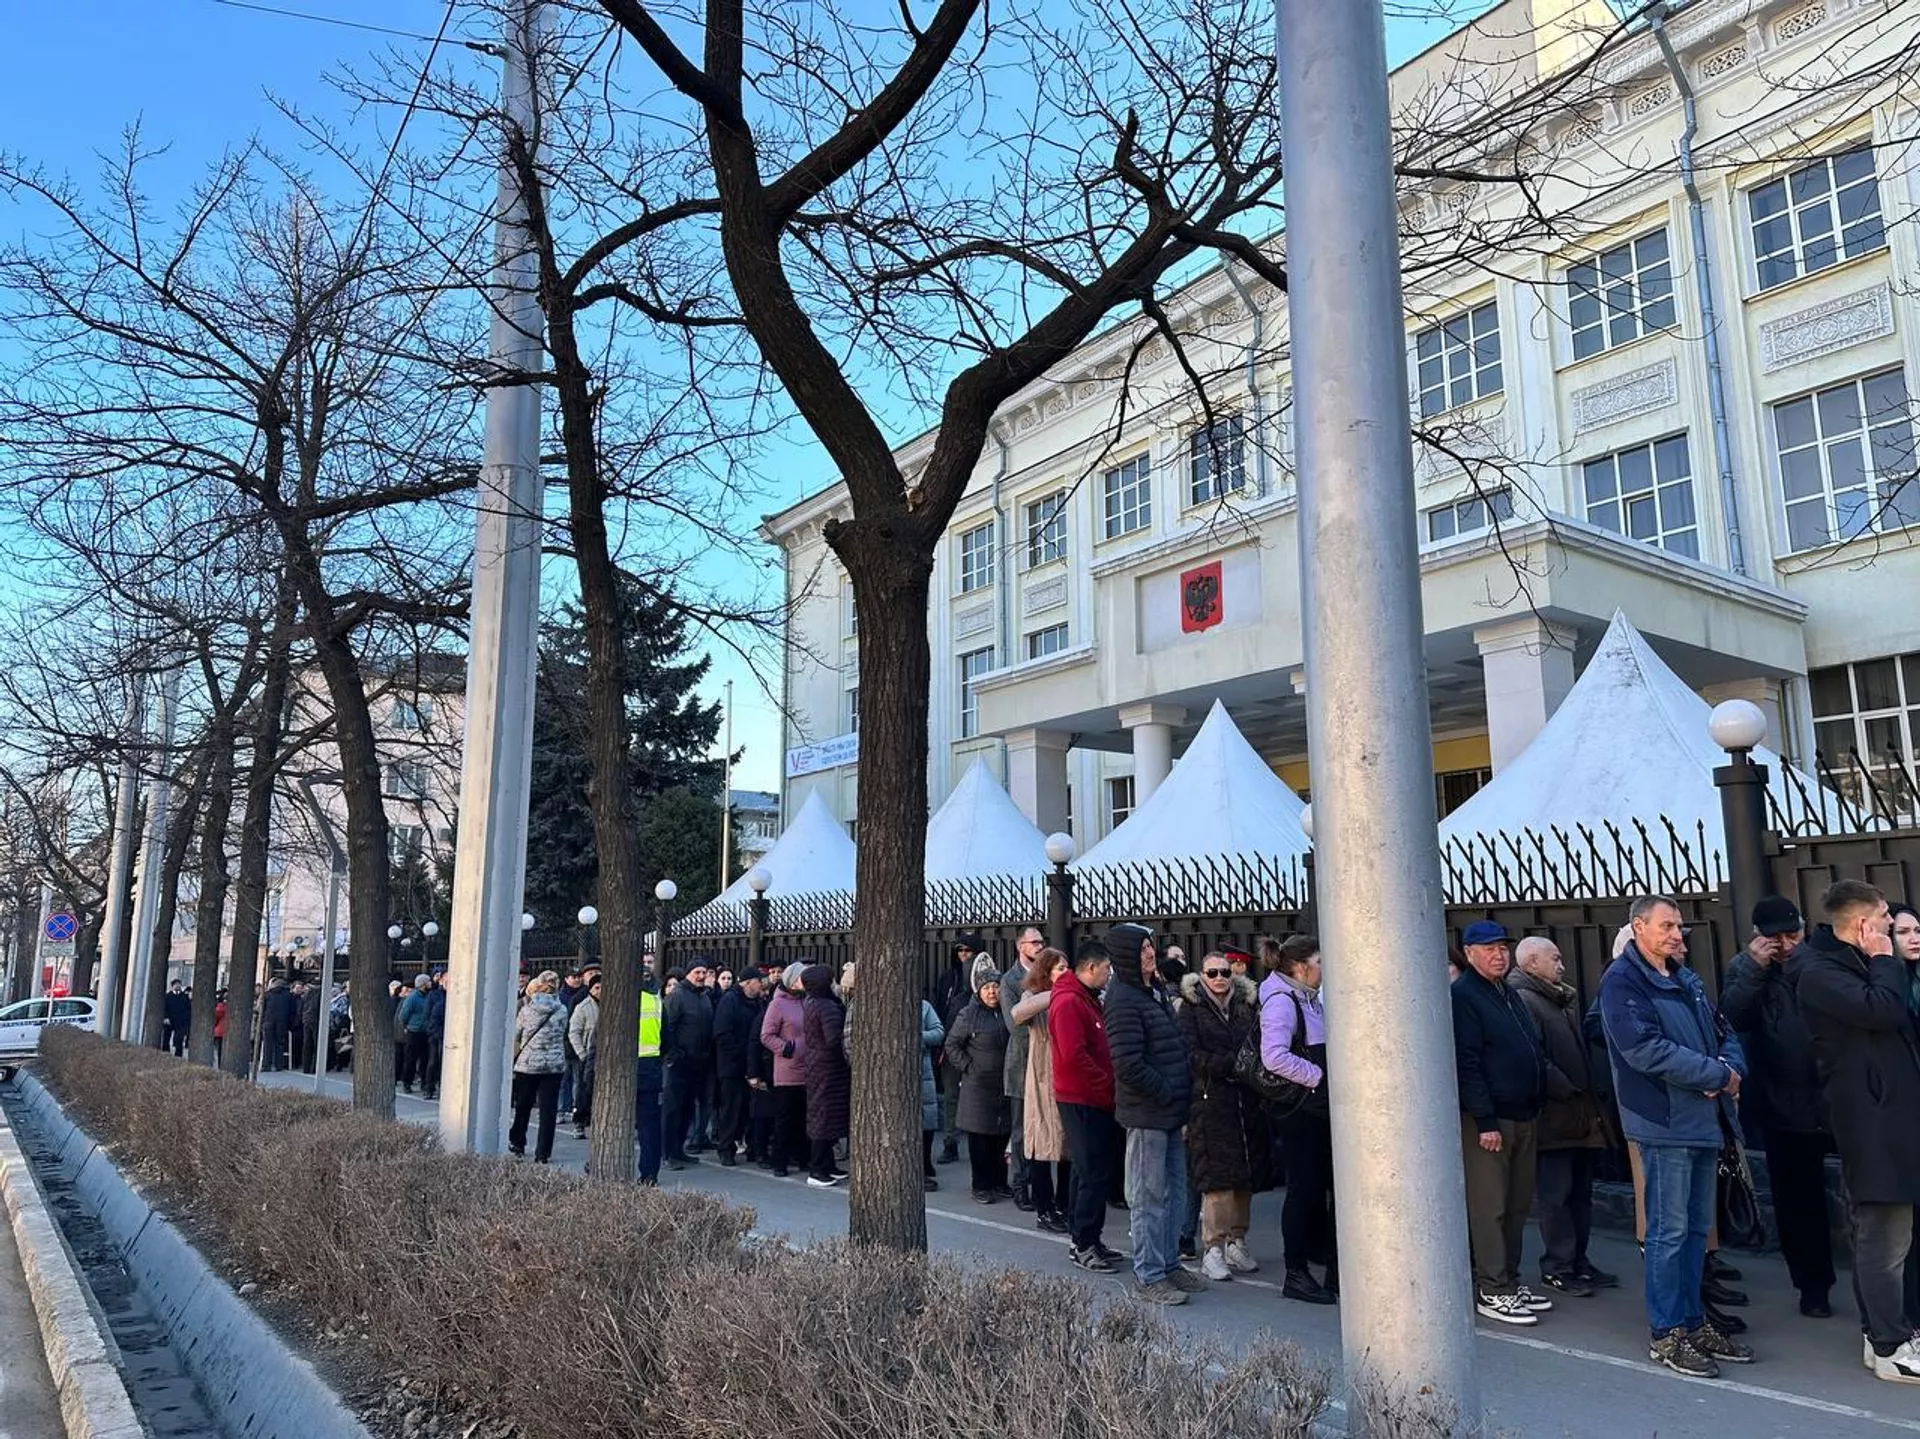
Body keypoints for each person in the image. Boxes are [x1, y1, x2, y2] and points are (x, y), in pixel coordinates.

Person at [1599, 895, 1754, 1377]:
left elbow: (1725, 1032)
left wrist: (1728, 1069)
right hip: (1664, 1123)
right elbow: (1644, 1049)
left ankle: (1692, 1321)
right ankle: (1666, 1333)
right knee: (1667, 1232)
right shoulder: (1622, 982)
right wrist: (1714, 1074)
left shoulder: (1685, 979)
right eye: (1666, 925)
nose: (1675, 934)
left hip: (1704, 1121)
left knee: (1694, 1230)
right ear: (1638, 927)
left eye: (1678, 926)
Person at [1792, 879, 1920, 1384]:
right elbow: (1883, 1011)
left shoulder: (1854, 964)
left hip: (1892, 1119)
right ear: (1864, 923)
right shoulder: (1820, 972)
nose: (1892, 923)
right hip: (1870, 1123)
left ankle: (1883, 1333)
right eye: (1885, 915)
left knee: (1895, 1235)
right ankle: (1889, 1345)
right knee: (1883, 1237)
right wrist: (1885, 958)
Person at [1720, 896, 1834, 1319]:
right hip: (1782, 1101)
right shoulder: (1745, 968)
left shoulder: (1820, 958)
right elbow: (1732, 1017)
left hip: (1836, 1095)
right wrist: (1755, 968)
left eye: (1792, 936)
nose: (1785, 945)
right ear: (1757, 937)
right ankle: (1812, 1286)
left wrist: (1801, 959)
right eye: (1776, 938)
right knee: (1797, 1202)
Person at [1452, 920, 1549, 1327]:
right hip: (1491, 1122)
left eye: (1503, 948)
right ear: (1469, 953)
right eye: (1489, 948)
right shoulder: (1464, 996)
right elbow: (1468, 1063)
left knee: (1517, 1204)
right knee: (1490, 1206)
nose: (1499, 955)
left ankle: (1509, 1278)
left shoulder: (1505, 992)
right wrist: (1484, 1120)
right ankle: (1492, 1286)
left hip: (1522, 1114)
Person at [1508, 936, 1617, 1297]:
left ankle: (1578, 1261)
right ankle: (1558, 1266)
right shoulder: (1525, 1000)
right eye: (1554, 959)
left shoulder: (1557, 1000)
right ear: (1532, 962)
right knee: (1556, 1196)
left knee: (1580, 1194)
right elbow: (1534, 1056)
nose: (1562, 965)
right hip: (1555, 1116)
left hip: (1578, 1115)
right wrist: (1565, 1089)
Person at [1103, 923, 1196, 1306]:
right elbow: (1127, 1063)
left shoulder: (1152, 990)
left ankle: (1169, 1263)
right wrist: (1166, 1090)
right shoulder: (1123, 999)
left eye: (1150, 946)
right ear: (1127, 954)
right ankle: (1149, 1274)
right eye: (1142, 948)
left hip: (1168, 1112)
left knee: (1176, 1191)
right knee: (1148, 1196)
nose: (1149, 953)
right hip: (1147, 1113)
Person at [1178, 950, 1272, 1283]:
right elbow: (1190, 1053)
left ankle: (1237, 1241)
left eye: (1224, 972)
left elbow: (1260, 1043)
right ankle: (1213, 1248)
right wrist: (1230, 1065)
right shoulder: (1191, 1008)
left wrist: (1248, 1069)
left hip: (1247, 1100)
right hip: (1210, 1100)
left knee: (1245, 1176)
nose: (1219, 978)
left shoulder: (1247, 1006)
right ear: (1201, 975)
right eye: (1212, 972)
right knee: (1216, 1179)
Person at [1258, 934, 1336, 1305]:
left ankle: (1323, 1258)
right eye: (1319, 962)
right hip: (1300, 1111)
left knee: (1320, 1187)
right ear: (1301, 967)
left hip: (1315, 1108)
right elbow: (1273, 1055)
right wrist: (1318, 1077)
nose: (1324, 968)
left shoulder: (1307, 997)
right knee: (1303, 1190)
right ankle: (1296, 1271)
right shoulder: (1282, 1000)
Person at [1051, 938, 1123, 1274]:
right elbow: (1074, 1056)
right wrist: (1106, 1084)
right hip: (1081, 1098)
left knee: (1088, 1170)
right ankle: (1083, 1243)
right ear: (1091, 967)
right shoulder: (1069, 1002)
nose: (1109, 975)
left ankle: (1087, 1237)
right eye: (1107, 968)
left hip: (1092, 1097)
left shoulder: (1086, 998)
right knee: (1092, 1171)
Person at [947, 957, 1012, 1203]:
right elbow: (952, 1045)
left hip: (1003, 1084)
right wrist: (968, 1067)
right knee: (980, 1139)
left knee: (1000, 1136)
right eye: (986, 987)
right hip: (977, 1088)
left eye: (995, 986)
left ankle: (1000, 1181)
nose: (992, 992)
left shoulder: (1007, 1012)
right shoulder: (968, 1014)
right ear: (978, 990)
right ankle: (981, 1185)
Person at [1015, 948, 1071, 1233]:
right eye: (1060, 969)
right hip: (1041, 1081)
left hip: (1068, 1079)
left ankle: (1064, 1205)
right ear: (1046, 973)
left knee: (1067, 1149)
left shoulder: (1074, 996)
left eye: (1067, 968)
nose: (1066, 973)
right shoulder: (1034, 996)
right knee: (1041, 1147)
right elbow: (1018, 1013)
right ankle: (1044, 1209)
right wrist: (1056, 994)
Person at [1001, 926, 1045, 1211]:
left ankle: (1039, 1185)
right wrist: (1043, 1044)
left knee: (1043, 1125)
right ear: (1021, 946)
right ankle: (1019, 1184)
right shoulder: (1010, 980)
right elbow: (1014, 1024)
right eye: (1034, 942)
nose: (1040, 946)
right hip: (1022, 1062)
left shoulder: (1046, 975)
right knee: (1020, 1129)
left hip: (1047, 1064)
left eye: (1042, 941)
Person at [934, 932, 985, 1164]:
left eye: (968, 950)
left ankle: (981, 1142)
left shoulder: (984, 977)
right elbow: (940, 1007)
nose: (963, 954)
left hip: (978, 1043)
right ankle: (950, 1142)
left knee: (981, 1094)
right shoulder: (948, 977)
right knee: (951, 1095)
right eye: (960, 950)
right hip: (952, 1042)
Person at [508, 972, 568, 1163]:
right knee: (548, 1111)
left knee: (523, 1106)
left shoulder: (527, 1010)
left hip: (528, 1065)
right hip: (553, 1065)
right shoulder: (562, 1010)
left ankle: (518, 1142)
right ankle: (543, 1153)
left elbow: (516, 1035)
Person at [799, 963, 850, 1188]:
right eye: (832, 980)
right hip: (828, 1068)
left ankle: (828, 1165)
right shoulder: (827, 1006)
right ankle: (817, 1168)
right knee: (824, 1117)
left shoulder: (812, 1002)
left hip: (818, 1066)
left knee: (825, 1116)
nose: (835, 984)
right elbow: (833, 1038)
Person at [661, 960, 715, 1168]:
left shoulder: (704, 997)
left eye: (704, 972)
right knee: (672, 1109)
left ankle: (679, 1149)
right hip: (678, 1063)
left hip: (698, 1063)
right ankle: (668, 1153)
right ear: (688, 974)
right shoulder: (677, 996)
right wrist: (673, 1053)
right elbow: (667, 1026)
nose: (701, 976)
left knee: (687, 1109)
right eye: (697, 972)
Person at [761, 962, 810, 1178]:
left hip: (807, 1069)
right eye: (801, 978)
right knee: (784, 1119)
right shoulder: (778, 1004)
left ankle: (803, 1157)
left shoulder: (806, 1001)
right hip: (787, 1070)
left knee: (804, 1118)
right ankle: (779, 1160)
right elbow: (766, 1035)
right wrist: (785, 1049)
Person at [712, 970, 765, 1165]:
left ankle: (752, 1147)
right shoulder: (730, 1001)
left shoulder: (758, 1002)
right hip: (732, 1065)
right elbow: (722, 1033)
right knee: (731, 1109)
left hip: (751, 1064)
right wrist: (739, 1055)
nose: (761, 985)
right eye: (758, 981)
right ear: (747, 983)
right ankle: (726, 1148)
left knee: (751, 1109)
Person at [634, 977, 665, 1184]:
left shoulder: (625, 1000)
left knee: (614, 1119)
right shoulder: (656, 1001)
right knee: (649, 1124)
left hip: (623, 1066)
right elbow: (667, 1036)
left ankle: (602, 1165)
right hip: (651, 1067)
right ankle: (650, 1173)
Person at [568, 976, 602, 1137]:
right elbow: (574, 1032)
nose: (600, 991)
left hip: (604, 1056)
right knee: (584, 1091)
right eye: (597, 988)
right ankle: (579, 1122)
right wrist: (582, 1054)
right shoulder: (583, 1007)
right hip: (588, 1056)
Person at [397, 976, 432, 1094]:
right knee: (411, 1059)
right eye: (428, 982)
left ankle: (424, 1082)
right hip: (414, 1031)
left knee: (425, 1059)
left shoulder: (429, 996)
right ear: (422, 984)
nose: (430, 983)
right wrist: (407, 1026)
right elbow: (404, 1015)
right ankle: (407, 1082)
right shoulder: (412, 998)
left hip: (426, 1031)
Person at [259, 976, 295, 1073]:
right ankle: (278, 1065)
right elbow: (292, 1011)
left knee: (267, 1044)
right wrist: (290, 1024)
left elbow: (262, 1009)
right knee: (279, 1043)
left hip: (268, 1021)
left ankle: (266, 1065)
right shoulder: (289, 996)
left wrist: (262, 1021)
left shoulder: (267, 995)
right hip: (282, 1022)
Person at [423, 970, 447, 1101]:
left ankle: (444, 1087)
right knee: (433, 1061)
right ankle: (429, 1088)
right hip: (435, 1033)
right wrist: (432, 1031)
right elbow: (427, 1015)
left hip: (448, 1033)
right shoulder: (434, 995)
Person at [162, 981, 190, 1057]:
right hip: (169, 1020)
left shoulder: (184, 997)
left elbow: (188, 1009)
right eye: (176, 984)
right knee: (166, 1037)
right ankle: (165, 1052)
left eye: (179, 984)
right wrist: (165, 1017)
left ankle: (178, 1054)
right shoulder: (168, 996)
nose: (178, 986)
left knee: (179, 1039)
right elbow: (165, 1008)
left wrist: (186, 1019)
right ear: (172, 986)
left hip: (180, 1021)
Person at [212, 990, 228, 1068]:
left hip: (220, 1031)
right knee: (221, 1050)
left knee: (220, 1050)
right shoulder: (222, 1007)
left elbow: (216, 1018)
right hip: (222, 1031)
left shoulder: (220, 1007)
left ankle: (220, 1065)